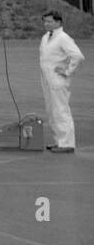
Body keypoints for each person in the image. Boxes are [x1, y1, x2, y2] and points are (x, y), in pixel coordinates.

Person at [39, 9, 84, 152]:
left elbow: (77, 56)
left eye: (49, 21)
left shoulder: (63, 38)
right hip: (47, 79)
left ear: (58, 22)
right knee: (51, 111)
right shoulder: (46, 37)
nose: (46, 24)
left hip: (58, 79)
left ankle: (67, 144)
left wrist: (67, 71)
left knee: (61, 110)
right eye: (45, 21)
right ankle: (59, 141)